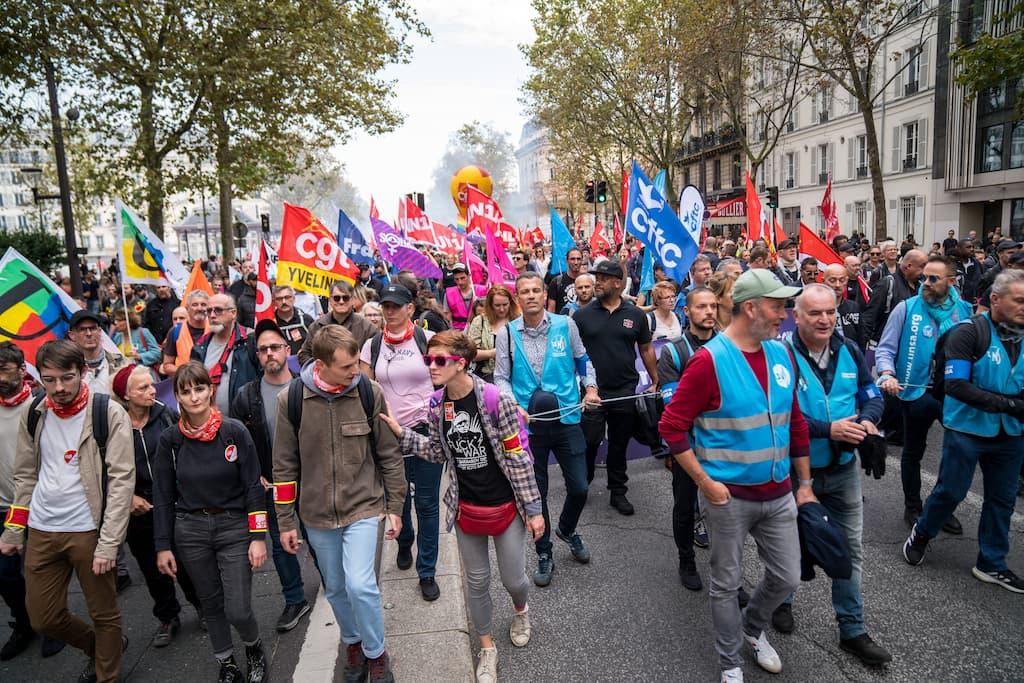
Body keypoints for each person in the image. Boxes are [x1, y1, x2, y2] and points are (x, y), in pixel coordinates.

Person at [659, 270, 813, 683]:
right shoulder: (709, 361)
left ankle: (752, 627)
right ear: (751, 308)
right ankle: (730, 662)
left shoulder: (783, 354)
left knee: (787, 576)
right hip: (729, 497)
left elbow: (795, 421)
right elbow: (671, 427)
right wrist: (705, 482)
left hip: (779, 492)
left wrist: (805, 485)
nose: (786, 314)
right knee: (725, 584)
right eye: (778, 305)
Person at [380, 331, 544, 683]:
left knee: (514, 579)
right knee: (477, 582)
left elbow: (517, 458)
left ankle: (521, 610)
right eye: (428, 359)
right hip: (466, 509)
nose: (431, 366)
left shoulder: (495, 399)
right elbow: (438, 453)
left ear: (462, 363)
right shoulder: (437, 405)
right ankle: (487, 648)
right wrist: (401, 432)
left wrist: (533, 509)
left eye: (439, 360)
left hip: (506, 507)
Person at [273, 325, 406, 683]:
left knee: (361, 585)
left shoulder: (368, 391)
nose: (355, 372)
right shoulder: (292, 400)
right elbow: (284, 466)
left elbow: (389, 455)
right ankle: (353, 644)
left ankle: (376, 654)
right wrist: (286, 522)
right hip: (316, 515)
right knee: (335, 587)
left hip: (363, 506)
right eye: (347, 366)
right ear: (321, 365)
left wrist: (395, 506)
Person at [0, 340, 134, 683]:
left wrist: (108, 544)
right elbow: (25, 475)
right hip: (43, 530)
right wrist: (15, 529)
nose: (58, 388)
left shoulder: (108, 412)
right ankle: (105, 648)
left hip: (88, 530)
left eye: (67, 378)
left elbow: (121, 481)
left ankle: (108, 673)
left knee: (103, 613)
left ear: (83, 372)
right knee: (43, 618)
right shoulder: (35, 411)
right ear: (39, 378)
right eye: (50, 379)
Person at [777, 284, 891, 665]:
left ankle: (853, 629)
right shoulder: (781, 355)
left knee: (850, 550)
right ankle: (782, 600)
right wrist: (829, 430)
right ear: (797, 316)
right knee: (789, 547)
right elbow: (778, 416)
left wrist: (868, 422)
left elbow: (870, 392)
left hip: (843, 471)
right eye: (815, 313)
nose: (825, 319)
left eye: (830, 312)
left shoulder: (850, 349)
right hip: (794, 473)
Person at [903, 270, 1024, 593]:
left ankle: (992, 562)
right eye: (1020, 300)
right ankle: (924, 530)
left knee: (1002, 499)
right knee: (951, 491)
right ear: (996, 300)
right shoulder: (968, 333)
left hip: (1010, 435)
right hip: (966, 429)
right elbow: (956, 385)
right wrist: (1010, 405)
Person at [153, 362, 268, 682]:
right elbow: (162, 496)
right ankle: (226, 662)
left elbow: (253, 486)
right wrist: (163, 546)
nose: (193, 397)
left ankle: (253, 646)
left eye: (199, 388)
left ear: (211, 389)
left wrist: (258, 535)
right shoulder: (170, 439)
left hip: (234, 527)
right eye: (185, 391)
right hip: (190, 530)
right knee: (210, 602)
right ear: (176, 396)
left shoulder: (234, 431)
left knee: (238, 608)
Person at [494, 272, 598, 587]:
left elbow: (583, 361)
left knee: (580, 487)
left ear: (544, 293)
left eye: (535, 290)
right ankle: (544, 550)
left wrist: (590, 388)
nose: (530, 296)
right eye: (523, 291)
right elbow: (500, 377)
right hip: (531, 426)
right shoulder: (506, 334)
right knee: (536, 493)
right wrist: (515, 406)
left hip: (567, 417)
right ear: (518, 298)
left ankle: (567, 528)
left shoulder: (565, 325)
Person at [876, 255, 972, 531]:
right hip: (914, 393)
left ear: (950, 282)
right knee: (913, 453)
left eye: (933, 278)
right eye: (924, 277)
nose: (925, 283)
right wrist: (887, 374)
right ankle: (913, 507)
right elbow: (885, 349)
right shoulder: (906, 309)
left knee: (957, 453)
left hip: (953, 395)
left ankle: (940, 507)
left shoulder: (964, 311)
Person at [359, 284, 441, 602]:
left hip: (426, 432)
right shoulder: (371, 346)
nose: (390, 311)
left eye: (396, 306)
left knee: (427, 503)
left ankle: (428, 571)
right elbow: (367, 390)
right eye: (386, 306)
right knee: (400, 500)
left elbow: (445, 380)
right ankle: (405, 539)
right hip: (389, 435)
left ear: (410, 309)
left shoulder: (429, 341)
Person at [110, 365, 202, 647]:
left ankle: (202, 608)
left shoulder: (166, 414)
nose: (152, 390)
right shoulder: (114, 424)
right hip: (137, 507)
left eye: (151, 385)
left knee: (185, 562)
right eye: (143, 388)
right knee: (152, 567)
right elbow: (103, 468)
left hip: (171, 502)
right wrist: (127, 499)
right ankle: (168, 616)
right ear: (125, 395)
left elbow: (188, 452)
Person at [230, 321, 311, 632]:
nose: (269, 353)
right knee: (280, 544)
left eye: (275, 347)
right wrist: (254, 475)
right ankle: (295, 599)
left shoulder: (306, 387)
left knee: (318, 538)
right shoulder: (246, 396)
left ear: (287, 351)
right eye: (263, 349)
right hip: (272, 484)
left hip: (310, 480)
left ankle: (334, 585)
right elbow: (237, 444)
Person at [575, 259, 659, 515]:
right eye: (595, 278)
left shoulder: (635, 314)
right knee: (589, 441)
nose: (596, 282)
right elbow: (573, 354)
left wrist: (655, 380)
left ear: (617, 283)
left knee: (619, 443)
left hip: (624, 390)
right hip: (593, 391)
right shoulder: (581, 315)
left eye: (602, 278)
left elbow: (645, 349)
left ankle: (618, 491)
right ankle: (583, 482)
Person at [0, 342, 65, 661]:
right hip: (4, 508)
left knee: (45, 571)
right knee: (5, 573)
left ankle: (53, 624)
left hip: (39, 503)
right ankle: (24, 624)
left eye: (4, 370)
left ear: (21, 370)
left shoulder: (41, 405)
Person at [656, 286, 719, 592]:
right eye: (702, 306)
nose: (709, 311)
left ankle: (726, 570)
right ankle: (686, 560)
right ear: (688, 312)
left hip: (724, 446)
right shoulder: (673, 352)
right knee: (684, 506)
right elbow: (675, 405)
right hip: (688, 447)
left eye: (713, 306)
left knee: (724, 509)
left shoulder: (728, 347)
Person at [190, 293, 260, 418]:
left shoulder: (250, 340)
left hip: (247, 421)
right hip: (209, 422)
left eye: (218, 310)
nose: (212, 315)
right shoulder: (200, 347)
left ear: (233, 313)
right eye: (209, 311)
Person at [298, 281, 378, 365]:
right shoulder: (317, 326)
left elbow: (376, 355)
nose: (341, 301)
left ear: (352, 300)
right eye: (336, 298)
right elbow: (304, 354)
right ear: (330, 300)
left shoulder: (367, 327)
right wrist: (319, 370)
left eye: (345, 298)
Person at [467, 285, 519, 383]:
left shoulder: (518, 320)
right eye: (497, 305)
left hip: (516, 374)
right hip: (487, 375)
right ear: (490, 305)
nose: (502, 309)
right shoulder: (480, 321)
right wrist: (494, 352)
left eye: (505, 304)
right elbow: (470, 353)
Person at [66, 310, 125, 395]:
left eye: (93, 328)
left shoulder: (120, 362)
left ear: (100, 331)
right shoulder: (66, 368)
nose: (89, 333)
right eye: (82, 329)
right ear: (72, 335)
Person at [160, 291, 210, 377]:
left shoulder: (216, 329)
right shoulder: (176, 331)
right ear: (187, 309)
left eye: (203, 304)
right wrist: (188, 372)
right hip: (185, 385)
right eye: (194, 305)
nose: (199, 308)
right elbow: (167, 366)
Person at [822, 264, 865, 350]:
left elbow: (862, 338)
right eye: (832, 280)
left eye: (842, 280)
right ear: (823, 281)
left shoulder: (854, 307)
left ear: (847, 281)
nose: (837, 285)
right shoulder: (816, 309)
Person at [272, 285, 315, 356]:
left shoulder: (306, 320)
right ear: (273, 302)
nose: (284, 302)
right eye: (279, 299)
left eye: (287, 297)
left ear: (294, 299)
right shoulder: (270, 323)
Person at [444, 264, 488, 331]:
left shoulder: (482, 290)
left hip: (478, 328)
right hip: (457, 331)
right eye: (457, 279)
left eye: (462, 278)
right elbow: (447, 317)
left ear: (469, 276)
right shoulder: (449, 293)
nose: (460, 282)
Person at [546, 248, 584, 313]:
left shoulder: (589, 281)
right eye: (572, 259)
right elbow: (551, 310)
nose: (576, 262)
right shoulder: (556, 282)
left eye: (578, 259)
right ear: (567, 260)